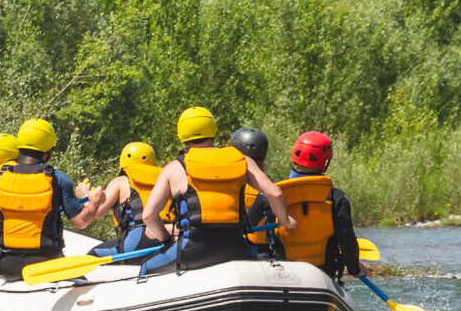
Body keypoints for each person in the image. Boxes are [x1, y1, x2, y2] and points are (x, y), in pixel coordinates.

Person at [136, 107, 290, 274]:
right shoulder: (242, 160)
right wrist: (286, 222)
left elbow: (148, 216)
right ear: (214, 130)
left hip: (191, 252)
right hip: (236, 249)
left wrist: (167, 241)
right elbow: (275, 193)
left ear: (181, 136)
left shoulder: (173, 168)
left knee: (145, 268)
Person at [0, 117, 101, 280]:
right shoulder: (58, 179)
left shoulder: (1, 177)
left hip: (8, 266)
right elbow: (81, 222)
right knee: (84, 283)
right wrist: (95, 202)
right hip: (46, 264)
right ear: (47, 151)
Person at [275, 131, 362, 278]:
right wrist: (354, 268)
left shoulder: (274, 194)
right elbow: (346, 237)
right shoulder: (337, 197)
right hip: (323, 275)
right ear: (325, 161)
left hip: (283, 274)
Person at [87, 142, 161, 257]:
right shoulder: (162, 179)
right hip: (163, 238)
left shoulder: (120, 181)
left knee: (93, 255)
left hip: (136, 241)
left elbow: (95, 212)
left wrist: (85, 195)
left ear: (121, 163)